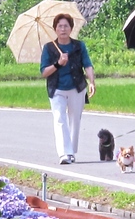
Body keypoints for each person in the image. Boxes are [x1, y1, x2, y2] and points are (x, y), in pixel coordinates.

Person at [40, 13, 95, 164]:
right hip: (56, 89)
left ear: (71, 28)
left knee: (74, 120)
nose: (63, 29)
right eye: (59, 26)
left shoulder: (79, 46)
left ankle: (71, 152)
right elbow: (44, 72)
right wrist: (58, 63)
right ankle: (64, 153)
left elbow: (88, 65)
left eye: (66, 26)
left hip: (76, 88)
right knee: (59, 119)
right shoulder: (49, 48)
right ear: (55, 29)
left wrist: (92, 81)